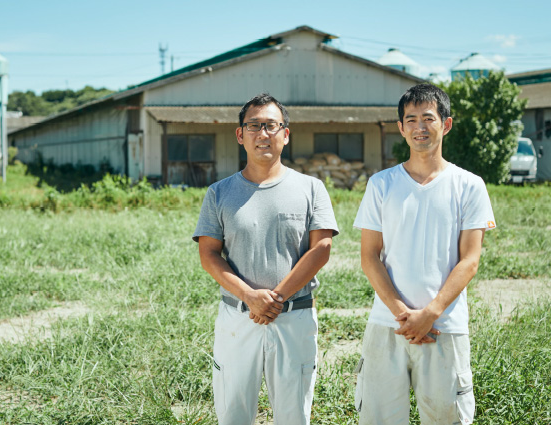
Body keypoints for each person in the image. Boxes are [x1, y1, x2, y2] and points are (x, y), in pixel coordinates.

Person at [353, 83, 496, 425]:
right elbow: (369, 256)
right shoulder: (381, 184)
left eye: (428, 118)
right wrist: (402, 312)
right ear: (401, 128)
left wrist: (430, 313)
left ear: (445, 124)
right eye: (411, 119)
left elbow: (470, 260)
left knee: (447, 418)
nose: (420, 127)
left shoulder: (468, 185)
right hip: (388, 325)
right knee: (379, 419)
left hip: (444, 326)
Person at [193, 93, 339, 424]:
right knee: (233, 413)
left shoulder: (311, 188)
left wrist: (276, 298)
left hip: (294, 316)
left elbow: (322, 248)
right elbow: (209, 254)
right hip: (237, 318)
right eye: (254, 126)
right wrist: (250, 296)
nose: (263, 134)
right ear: (240, 135)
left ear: (285, 134)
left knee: (293, 416)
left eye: (271, 126)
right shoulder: (220, 192)